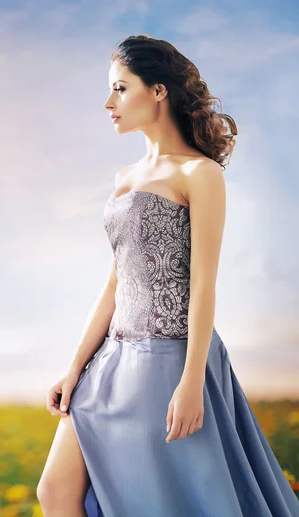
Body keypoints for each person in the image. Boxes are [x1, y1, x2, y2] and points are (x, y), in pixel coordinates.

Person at [36, 35, 299, 517]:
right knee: (54, 491)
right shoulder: (124, 177)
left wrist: (192, 380)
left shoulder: (201, 175)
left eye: (120, 88)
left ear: (158, 91)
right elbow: (116, 281)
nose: (108, 102)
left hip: (170, 360)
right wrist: (75, 367)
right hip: (110, 360)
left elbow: (202, 283)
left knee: (163, 502)